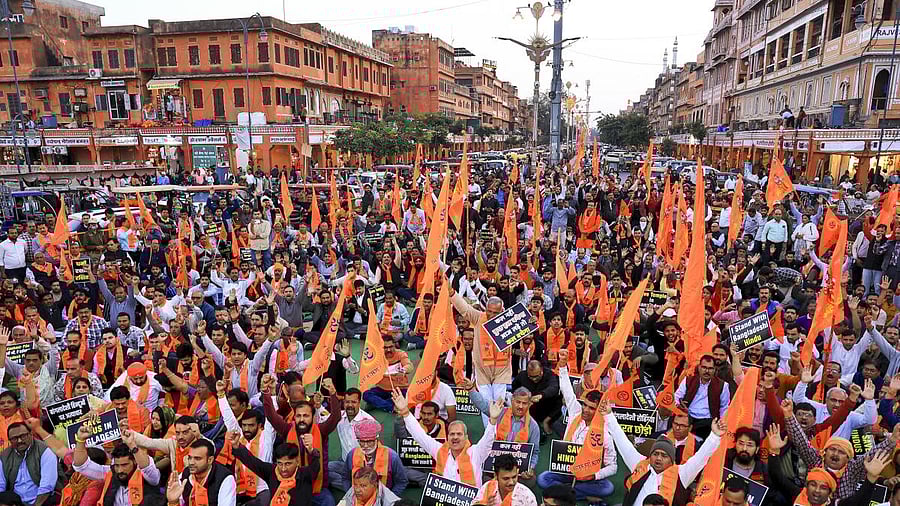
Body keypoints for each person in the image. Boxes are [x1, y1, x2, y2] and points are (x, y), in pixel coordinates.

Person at [600, 399, 725, 506]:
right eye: (655, 454)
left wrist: (715, 436)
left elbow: (700, 458)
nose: (658, 458)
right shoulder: (641, 465)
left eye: (664, 455)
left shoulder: (681, 474)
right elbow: (623, 443)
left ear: (671, 459)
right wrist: (608, 416)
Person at [537, 354, 616, 501]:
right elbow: (567, 391)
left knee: (607, 488)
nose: (585, 410)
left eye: (591, 408)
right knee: (543, 478)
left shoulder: (605, 434)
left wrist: (594, 475)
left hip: (587, 476)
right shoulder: (575, 413)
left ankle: (565, 493)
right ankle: (583, 495)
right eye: (585, 404)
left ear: (599, 410)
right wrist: (562, 366)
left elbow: (613, 466)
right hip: (566, 471)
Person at [393, 387, 502, 488]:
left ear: (466, 437)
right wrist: (405, 412)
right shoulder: (439, 450)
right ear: (447, 436)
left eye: (459, 434)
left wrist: (493, 420)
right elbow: (419, 435)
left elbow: (488, 440)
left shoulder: (476, 453)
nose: (455, 437)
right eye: (452, 434)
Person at [72, 425, 165, 506]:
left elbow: (147, 467)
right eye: (117, 465)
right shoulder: (111, 473)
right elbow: (82, 466)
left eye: (124, 465)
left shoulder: (149, 477)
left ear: (135, 462)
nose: (120, 470)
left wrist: (132, 444)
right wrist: (80, 440)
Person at [226, 431, 321, 506]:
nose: (283, 469)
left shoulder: (306, 474)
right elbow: (252, 462)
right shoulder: (272, 472)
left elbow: (315, 465)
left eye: (288, 464)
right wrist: (236, 445)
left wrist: (311, 450)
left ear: (297, 461)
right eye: (280, 463)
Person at [337, 420, 407, 495]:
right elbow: (345, 478)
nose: (365, 446)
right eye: (362, 442)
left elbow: (401, 482)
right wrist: (351, 494)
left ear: (376, 440)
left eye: (369, 441)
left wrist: (389, 499)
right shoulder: (352, 454)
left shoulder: (392, 456)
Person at [0, 422, 60, 506]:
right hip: (17, 502)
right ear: (9, 440)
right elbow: (1, 485)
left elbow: (47, 486)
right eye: (14, 438)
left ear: (31, 434)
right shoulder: (4, 456)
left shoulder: (45, 451)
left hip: (43, 500)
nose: (19, 441)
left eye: (23, 436)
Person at [166, 439, 236, 506]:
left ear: (210, 460)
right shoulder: (185, 474)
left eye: (197, 458)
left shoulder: (225, 478)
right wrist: (173, 502)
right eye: (190, 458)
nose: (191, 462)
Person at [472, 454, 537, 506]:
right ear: (496, 476)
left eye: (514, 477)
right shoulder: (487, 488)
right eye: (506, 478)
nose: (511, 482)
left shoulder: (527, 496)